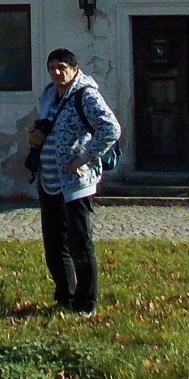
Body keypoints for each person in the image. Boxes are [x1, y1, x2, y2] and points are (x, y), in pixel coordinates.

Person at [29, 46, 121, 315]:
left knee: (80, 243)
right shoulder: (49, 95)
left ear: (74, 69)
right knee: (54, 243)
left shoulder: (85, 95)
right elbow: (47, 126)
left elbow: (111, 128)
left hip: (75, 182)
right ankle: (65, 296)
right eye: (52, 68)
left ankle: (85, 302)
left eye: (62, 67)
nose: (57, 73)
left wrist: (84, 158)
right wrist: (36, 137)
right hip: (49, 179)